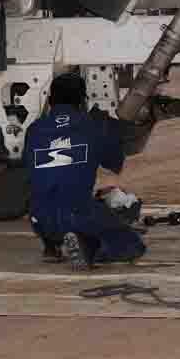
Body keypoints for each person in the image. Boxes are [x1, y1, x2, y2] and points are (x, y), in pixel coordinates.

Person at [25, 69, 147, 270]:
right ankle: (90, 247)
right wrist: (113, 131)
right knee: (133, 247)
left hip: (39, 217)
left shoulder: (34, 129)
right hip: (77, 212)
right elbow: (114, 164)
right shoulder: (94, 125)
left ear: (51, 100)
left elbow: (32, 169)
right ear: (82, 101)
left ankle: (52, 246)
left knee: (50, 195)